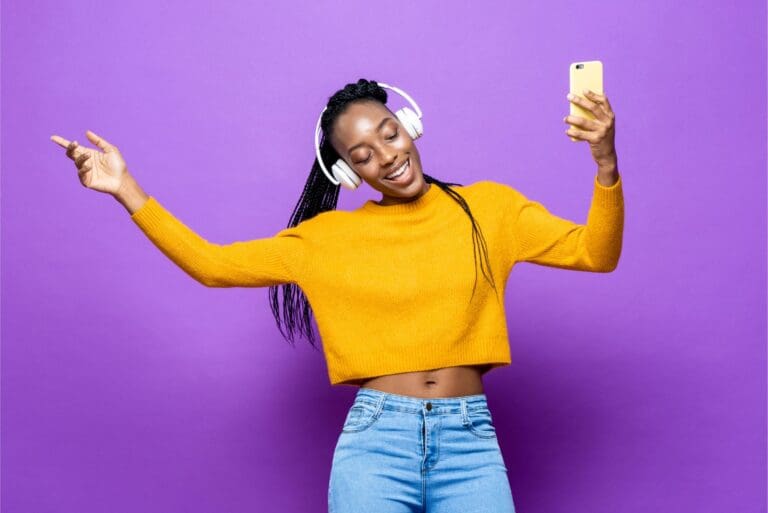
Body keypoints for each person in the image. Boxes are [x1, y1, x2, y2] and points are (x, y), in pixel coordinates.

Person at [50, 78, 623, 512]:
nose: (387, 157)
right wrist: (126, 190)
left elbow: (596, 254)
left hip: (470, 440)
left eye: (389, 134)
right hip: (377, 445)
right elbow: (213, 266)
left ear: (410, 125)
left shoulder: (490, 209)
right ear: (349, 173)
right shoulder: (325, 240)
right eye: (363, 156)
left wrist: (604, 162)